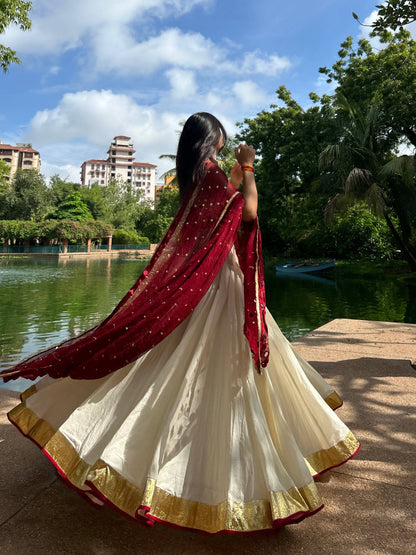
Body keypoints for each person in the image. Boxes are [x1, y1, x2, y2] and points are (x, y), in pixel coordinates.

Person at [1, 112, 359, 534]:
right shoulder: (210, 174)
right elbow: (247, 213)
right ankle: (209, 477)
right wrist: (247, 167)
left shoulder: (194, 176)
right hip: (217, 283)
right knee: (222, 369)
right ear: (214, 138)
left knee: (200, 363)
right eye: (223, 134)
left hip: (212, 278)